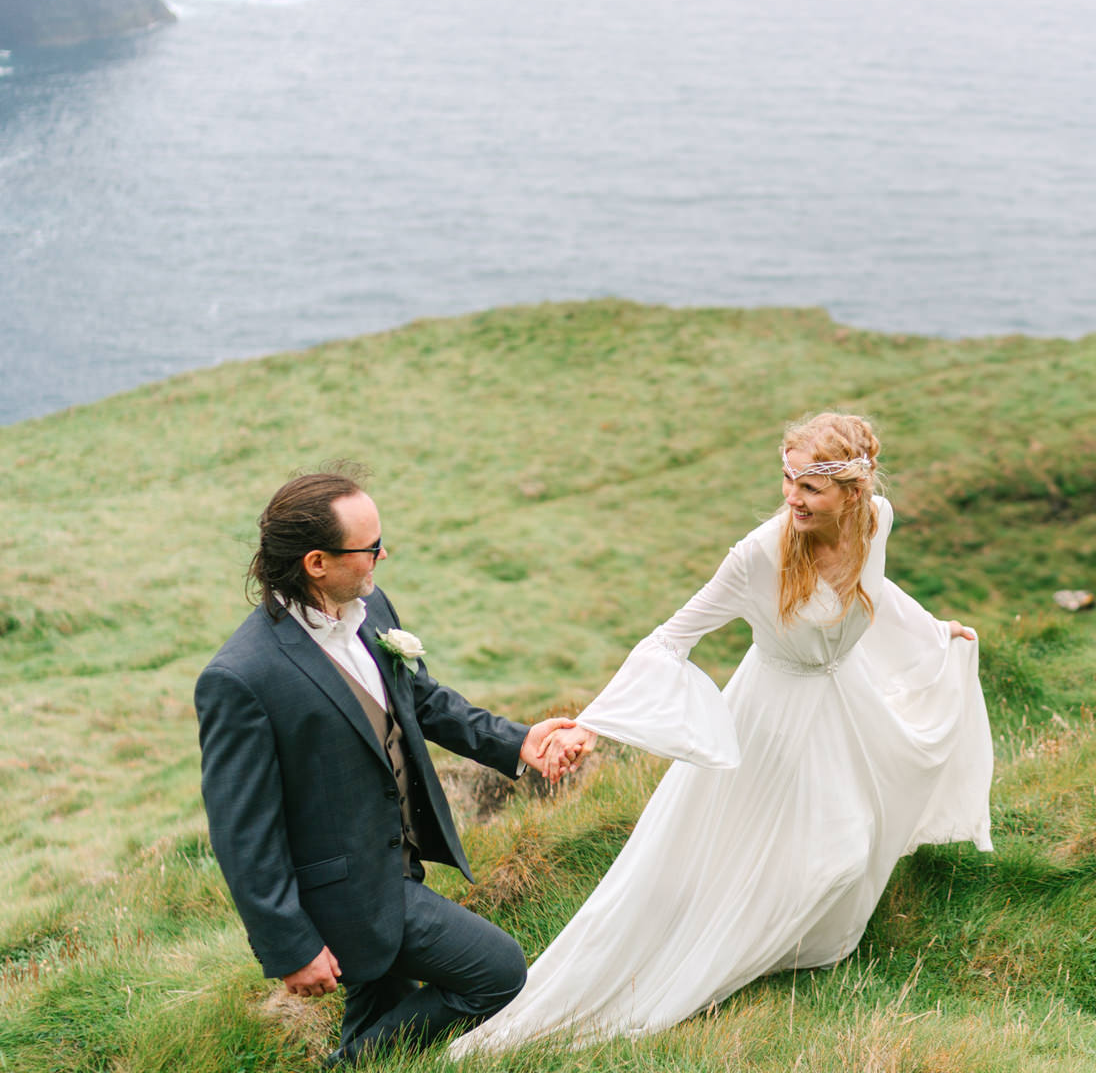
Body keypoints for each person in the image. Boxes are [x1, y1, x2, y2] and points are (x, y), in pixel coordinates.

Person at [450, 412, 992, 1055]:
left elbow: (874, 587)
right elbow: (669, 639)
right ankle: (731, 951)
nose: (792, 497)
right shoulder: (757, 555)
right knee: (825, 849)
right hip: (773, 711)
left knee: (854, 837)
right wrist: (596, 722)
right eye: (787, 480)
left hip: (845, 698)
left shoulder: (876, 518)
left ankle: (798, 941)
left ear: (853, 493)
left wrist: (935, 631)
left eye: (809, 488)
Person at [194, 466, 586, 1066]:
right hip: (343, 898)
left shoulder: (371, 610)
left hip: (395, 870)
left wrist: (518, 741)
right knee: (498, 972)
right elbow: (243, 832)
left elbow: (421, 700)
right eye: (370, 547)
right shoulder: (241, 678)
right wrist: (290, 945)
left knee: (382, 1028)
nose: (383, 555)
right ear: (316, 562)